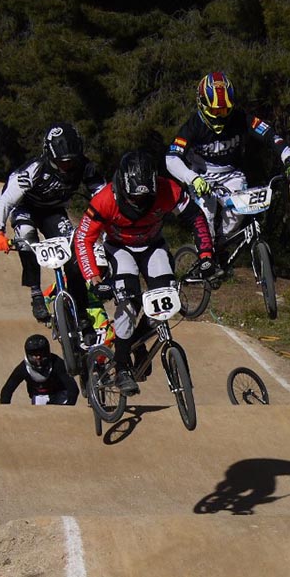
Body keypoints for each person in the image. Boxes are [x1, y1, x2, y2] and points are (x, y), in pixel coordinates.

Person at [73, 148, 214, 396]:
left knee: (166, 301)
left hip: (153, 246)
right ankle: (122, 366)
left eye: (145, 199)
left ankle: (135, 342)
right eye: (134, 200)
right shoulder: (104, 200)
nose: (139, 204)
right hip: (119, 249)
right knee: (128, 304)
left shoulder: (168, 190)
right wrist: (92, 277)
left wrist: (205, 255)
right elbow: (83, 237)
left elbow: (196, 217)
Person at [165, 71, 290, 277]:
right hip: (202, 175)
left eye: (225, 109)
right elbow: (171, 158)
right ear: (202, 105)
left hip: (232, 174)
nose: (220, 115)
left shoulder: (241, 119)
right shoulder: (192, 127)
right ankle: (206, 257)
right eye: (215, 111)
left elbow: (272, 136)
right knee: (206, 213)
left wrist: (289, 160)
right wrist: (193, 178)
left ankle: (220, 248)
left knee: (237, 215)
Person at [0, 123, 104, 323]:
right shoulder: (33, 170)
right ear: (50, 155)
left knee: (74, 253)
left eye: (71, 162)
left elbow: (102, 194)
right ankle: (36, 295)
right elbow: (5, 201)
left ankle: (81, 308)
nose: (67, 166)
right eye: (62, 162)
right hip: (25, 208)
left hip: (53, 211)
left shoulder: (85, 166)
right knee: (26, 238)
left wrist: (107, 222)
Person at [0, 334, 79, 405]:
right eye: (34, 355)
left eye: (41, 354)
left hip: (60, 394)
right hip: (39, 397)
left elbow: (73, 388)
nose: (38, 358)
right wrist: (5, 409)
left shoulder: (57, 363)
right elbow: (7, 390)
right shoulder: (23, 368)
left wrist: (69, 407)